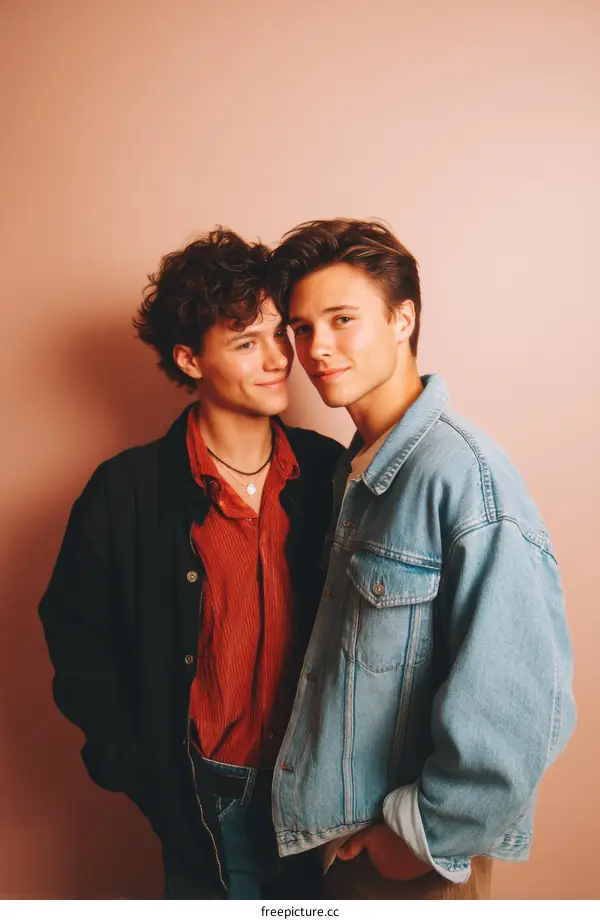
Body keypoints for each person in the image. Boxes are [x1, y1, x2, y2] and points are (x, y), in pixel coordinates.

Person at [266, 218, 575, 899]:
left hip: (409, 866)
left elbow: (520, 703)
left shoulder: (466, 476)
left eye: (343, 319)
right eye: (303, 328)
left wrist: (416, 840)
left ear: (403, 319)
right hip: (336, 847)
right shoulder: (352, 474)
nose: (318, 348)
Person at [39, 228, 343, 899]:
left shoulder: (328, 471)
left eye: (277, 334)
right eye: (244, 342)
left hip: (326, 787)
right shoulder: (126, 492)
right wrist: (135, 765)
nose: (277, 361)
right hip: (212, 794)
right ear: (190, 357)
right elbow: (74, 632)